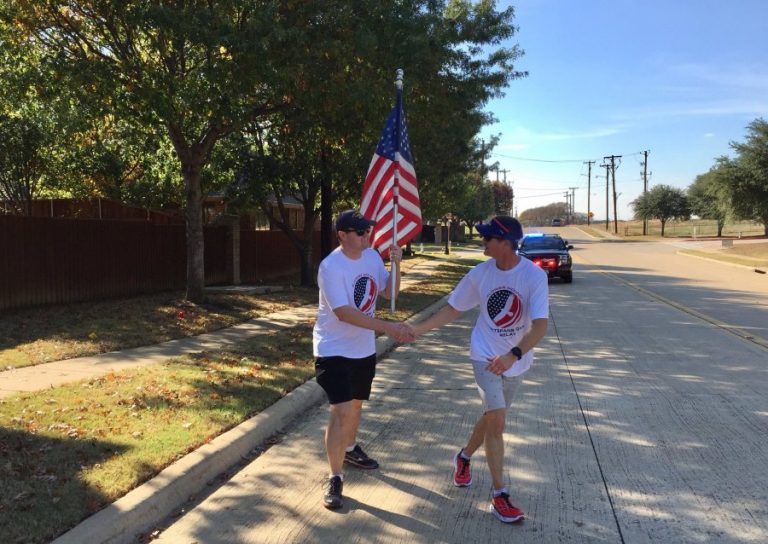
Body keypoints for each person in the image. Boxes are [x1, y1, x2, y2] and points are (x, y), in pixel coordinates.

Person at [412, 216, 548, 523]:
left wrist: (514, 355)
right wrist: (418, 330)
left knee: (491, 420)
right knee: (497, 421)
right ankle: (500, 495)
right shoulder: (480, 274)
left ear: (505, 243)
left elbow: (540, 326)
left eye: (488, 237)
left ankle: (463, 457)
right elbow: (453, 308)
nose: (482, 241)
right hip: (485, 355)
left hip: (515, 359)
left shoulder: (533, 276)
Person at [313, 209, 414, 510]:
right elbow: (344, 313)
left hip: (362, 349)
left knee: (355, 406)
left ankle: (351, 447)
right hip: (333, 348)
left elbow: (388, 292)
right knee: (341, 411)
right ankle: (335, 476)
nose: (367, 236)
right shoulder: (331, 266)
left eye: (368, 231)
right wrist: (388, 328)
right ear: (342, 235)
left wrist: (396, 266)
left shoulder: (371, 257)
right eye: (360, 232)